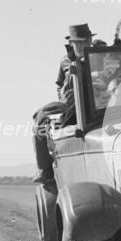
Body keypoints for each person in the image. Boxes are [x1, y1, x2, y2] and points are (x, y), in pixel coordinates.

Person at [32, 23, 94, 184]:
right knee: (40, 118)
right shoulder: (65, 61)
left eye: (86, 41)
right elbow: (59, 83)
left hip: (94, 102)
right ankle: (45, 169)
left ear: (90, 41)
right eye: (78, 42)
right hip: (69, 102)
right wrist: (63, 97)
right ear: (71, 43)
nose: (82, 45)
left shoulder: (99, 57)